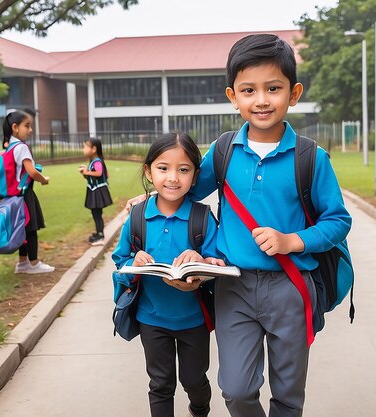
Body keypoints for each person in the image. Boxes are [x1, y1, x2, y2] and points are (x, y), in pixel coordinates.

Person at [127, 34, 352, 417]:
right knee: (235, 389)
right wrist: (150, 200)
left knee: (288, 392)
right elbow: (182, 192)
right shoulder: (225, 150)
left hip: (291, 288)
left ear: (293, 93)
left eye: (273, 88)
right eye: (249, 90)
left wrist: (292, 240)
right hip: (234, 288)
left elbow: (338, 221)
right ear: (234, 96)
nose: (261, 100)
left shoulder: (311, 158)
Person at [112, 132, 224, 417]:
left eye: (183, 170)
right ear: (149, 172)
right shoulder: (137, 216)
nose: (173, 177)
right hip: (151, 318)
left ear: (195, 176)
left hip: (193, 320)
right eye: (163, 168)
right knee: (160, 384)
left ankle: (200, 410)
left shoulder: (202, 216)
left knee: (194, 380)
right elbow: (120, 262)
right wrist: (134, 263)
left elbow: (218, 261)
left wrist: (201, 260)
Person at [3, 110, 55, 275]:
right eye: (27, 126)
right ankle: (34, 263)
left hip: (13, 195)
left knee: (22, 228)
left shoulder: (9, 147)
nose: (30, 129)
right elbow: (31, 172)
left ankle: (22, 263)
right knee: (31, 229)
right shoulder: (22, 147)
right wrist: (44, 180)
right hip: (25, 195)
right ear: (15, 127)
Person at [79, 137, 112, 246]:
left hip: (98, 192)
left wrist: (87, 172)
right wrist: (86, 173)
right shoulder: (93, 161)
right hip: (94, 191)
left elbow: (98, 173)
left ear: (94, 149)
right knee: (95, 213)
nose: (83, 149)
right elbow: (93, 177)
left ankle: (100, 236)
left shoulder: (97, 161)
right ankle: (98, 233)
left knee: (97, 214)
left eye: (85, 146)